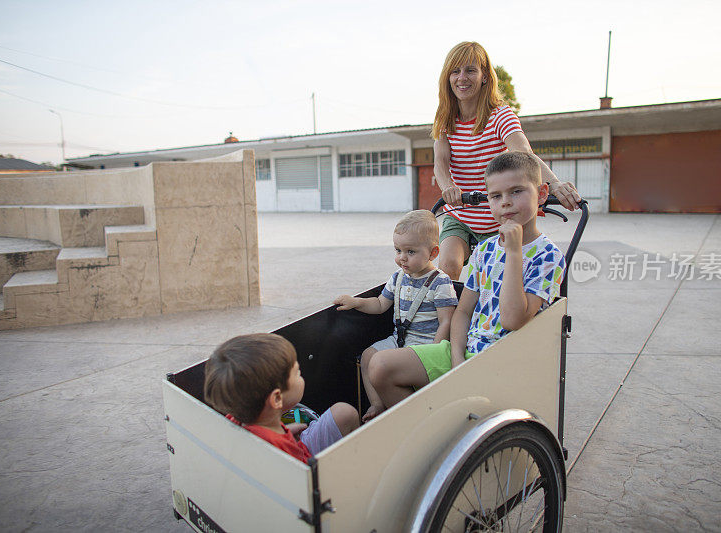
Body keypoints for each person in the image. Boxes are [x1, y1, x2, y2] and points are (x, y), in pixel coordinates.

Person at [368, 151, 566, 409]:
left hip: (505, 360)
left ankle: (438, 424)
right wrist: (458, 359)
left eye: (516, 191)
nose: (505, 202)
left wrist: (514, 253)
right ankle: (424, 426)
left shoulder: (548, 255)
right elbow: (463, 311)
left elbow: (512, 319)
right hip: (467, 349)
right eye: (496, 196)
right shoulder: (485, 250)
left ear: (540, 194)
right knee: (379, 365)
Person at [431, 41, 580, 280]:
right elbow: (440, 163)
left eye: (470, 70)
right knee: (447, 268)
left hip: (498, 215)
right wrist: (448, 187)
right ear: (447, 77)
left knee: (495, 277)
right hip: (461, 213)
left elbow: (524, 154)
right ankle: (451, 317)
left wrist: (555, 184)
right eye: (455, 71)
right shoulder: (445, 119)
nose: (462, 78)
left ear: (484, 77)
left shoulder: (500, 115)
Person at [333, 210, 457, 421]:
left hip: (425, 344)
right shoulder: (398, 277)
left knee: (406, 376)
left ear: (433, 253)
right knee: (367, 357)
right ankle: (378, 404)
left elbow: (446, 321)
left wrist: (435, 351)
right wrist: (356, 302)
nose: (401, 258)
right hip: (399, 339)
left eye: (410, 252)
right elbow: (381, 304)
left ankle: (414, 414)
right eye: (398, 250)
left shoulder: (441, 282)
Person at [203, 333, 359, 464]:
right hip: (304, 466)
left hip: (294, 445)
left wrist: (286, 433)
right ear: (277, 399)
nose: (301, 375)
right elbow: (305, 483)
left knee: (344, 413)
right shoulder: (280, 453)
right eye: (297, 373)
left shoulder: (237, 419)